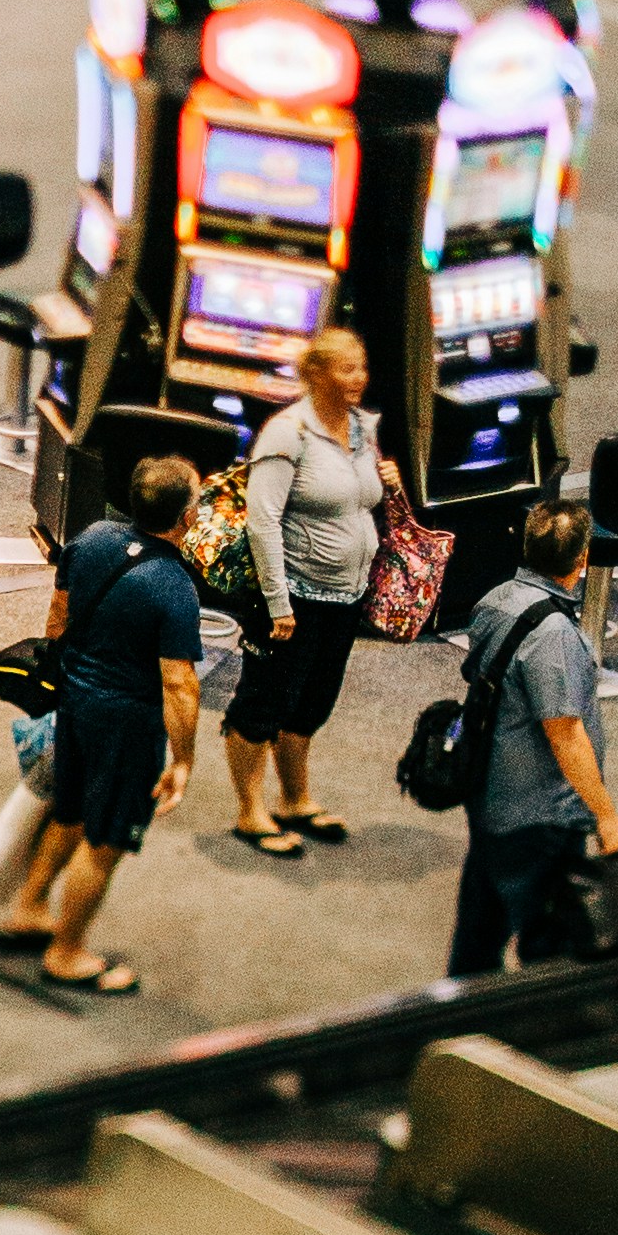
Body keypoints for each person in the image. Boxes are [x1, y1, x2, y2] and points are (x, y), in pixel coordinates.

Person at [0, 454, 204, 1001]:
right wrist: (182, 760)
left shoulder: (92, 538)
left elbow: (58, 614)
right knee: (105, 839)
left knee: (69, 810)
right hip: (128, 725)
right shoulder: (173, 584)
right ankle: (66, 952)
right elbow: (179, 684)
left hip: (77, 703)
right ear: (184, 518)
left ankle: (29, 909)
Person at [226, 325, 405, 854]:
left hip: (346, 595)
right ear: (316, 373)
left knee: (311, 702)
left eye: (363, 367)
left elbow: (358, 499)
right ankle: (250, 810)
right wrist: (278, 603)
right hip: (294, 597)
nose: (360, 378)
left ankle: (296, 799)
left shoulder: (362, 428)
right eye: (348, 368)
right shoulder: (288, 434)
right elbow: (262, 522)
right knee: (263, 704)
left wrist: (385, 480)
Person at [445, 500, 618, 985]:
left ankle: (459, 1020)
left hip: (491, 797)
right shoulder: (554, 635)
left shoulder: (496, 600)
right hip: (539, 815)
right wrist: (605, 814)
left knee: (478, 936)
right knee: (550, 949)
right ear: (582, 560)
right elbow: (565, 734)